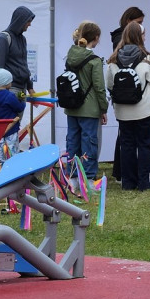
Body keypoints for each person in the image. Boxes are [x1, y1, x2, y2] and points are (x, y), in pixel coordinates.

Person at [106, 22, 150, 191]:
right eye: (144, 34)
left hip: (123, 110)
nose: (145, 37)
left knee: (127, 146)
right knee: (145, 145)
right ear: (139, 37)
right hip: (144, 108)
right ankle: (144, 183)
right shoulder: (146, 58)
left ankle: (128, 182)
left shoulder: (113, 59)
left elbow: (110, 84)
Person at [64, 21, 108, 181]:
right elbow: (99, 87)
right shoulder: (94, 60)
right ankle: (88, 179)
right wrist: (104, 108)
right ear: (95, 38)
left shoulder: (70, 56)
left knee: (72, 142)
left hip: (71, 106)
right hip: (90, 109)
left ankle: (72, 178)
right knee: (89, 144)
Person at [109, 7, 144, 181]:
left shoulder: (118, 39)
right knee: (126, 136)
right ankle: (121, 171)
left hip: (123, 90)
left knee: (125, 135)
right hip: (126, 90)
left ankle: (121, 171)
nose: (140, 27)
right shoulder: (120, 39)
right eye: (138, 23)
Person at [0, 6, 36, 97]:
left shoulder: (22, 39)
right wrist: (1, 94)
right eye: (28, 21)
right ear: (20, 21)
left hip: (21, 89)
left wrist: (30, 87)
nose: (30, 24)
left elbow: (24, 64)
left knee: (18, 111)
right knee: (11, 111)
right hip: (9, 89)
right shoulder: (3, 39)